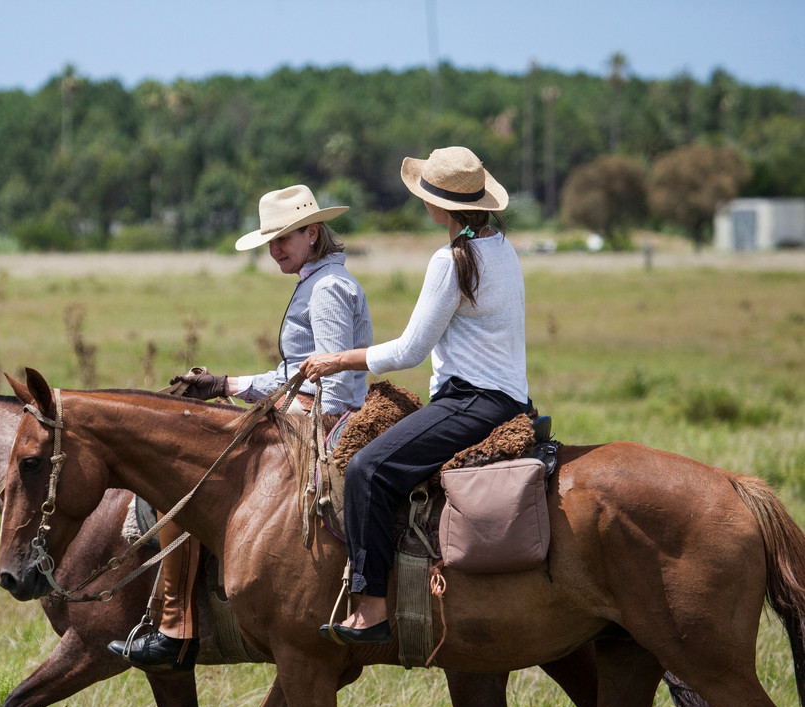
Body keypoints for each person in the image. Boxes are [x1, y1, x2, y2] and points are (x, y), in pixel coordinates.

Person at [108, 183, 373, 669]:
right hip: (300, 410)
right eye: (270, 242)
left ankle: (175, 625)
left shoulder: (329, 288)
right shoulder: (316, 281)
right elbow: (299, 370)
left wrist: (304, 424)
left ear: (312, 233)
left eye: (283, 240)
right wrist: (226, 383)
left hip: (315, 421)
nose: (275, 251)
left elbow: (331, 378)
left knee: (192, 472)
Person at [300, 146, 529, 644]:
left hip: (471, 402)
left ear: (436, 207)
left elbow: (408, 351)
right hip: (509, 400)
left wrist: (335, 360)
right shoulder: (501, 246)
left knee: (367, 470)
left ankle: (372, 609)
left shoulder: (451, 260)